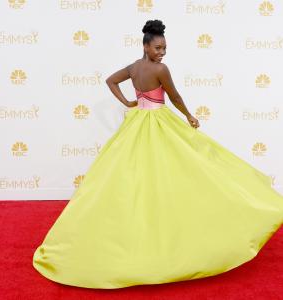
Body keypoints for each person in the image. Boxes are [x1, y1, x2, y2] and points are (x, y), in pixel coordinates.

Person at [32, 19, 283, 289]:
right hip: (158, 122)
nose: (162, 52)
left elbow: (110, 81)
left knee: (138, 173)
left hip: (137, 121)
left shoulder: (133, 67)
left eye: (164, 48)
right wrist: (188, 115)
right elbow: (173, 96)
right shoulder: (160, 69)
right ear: (146, 46)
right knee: (184, 165)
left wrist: (130, 102)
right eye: (158, 47)